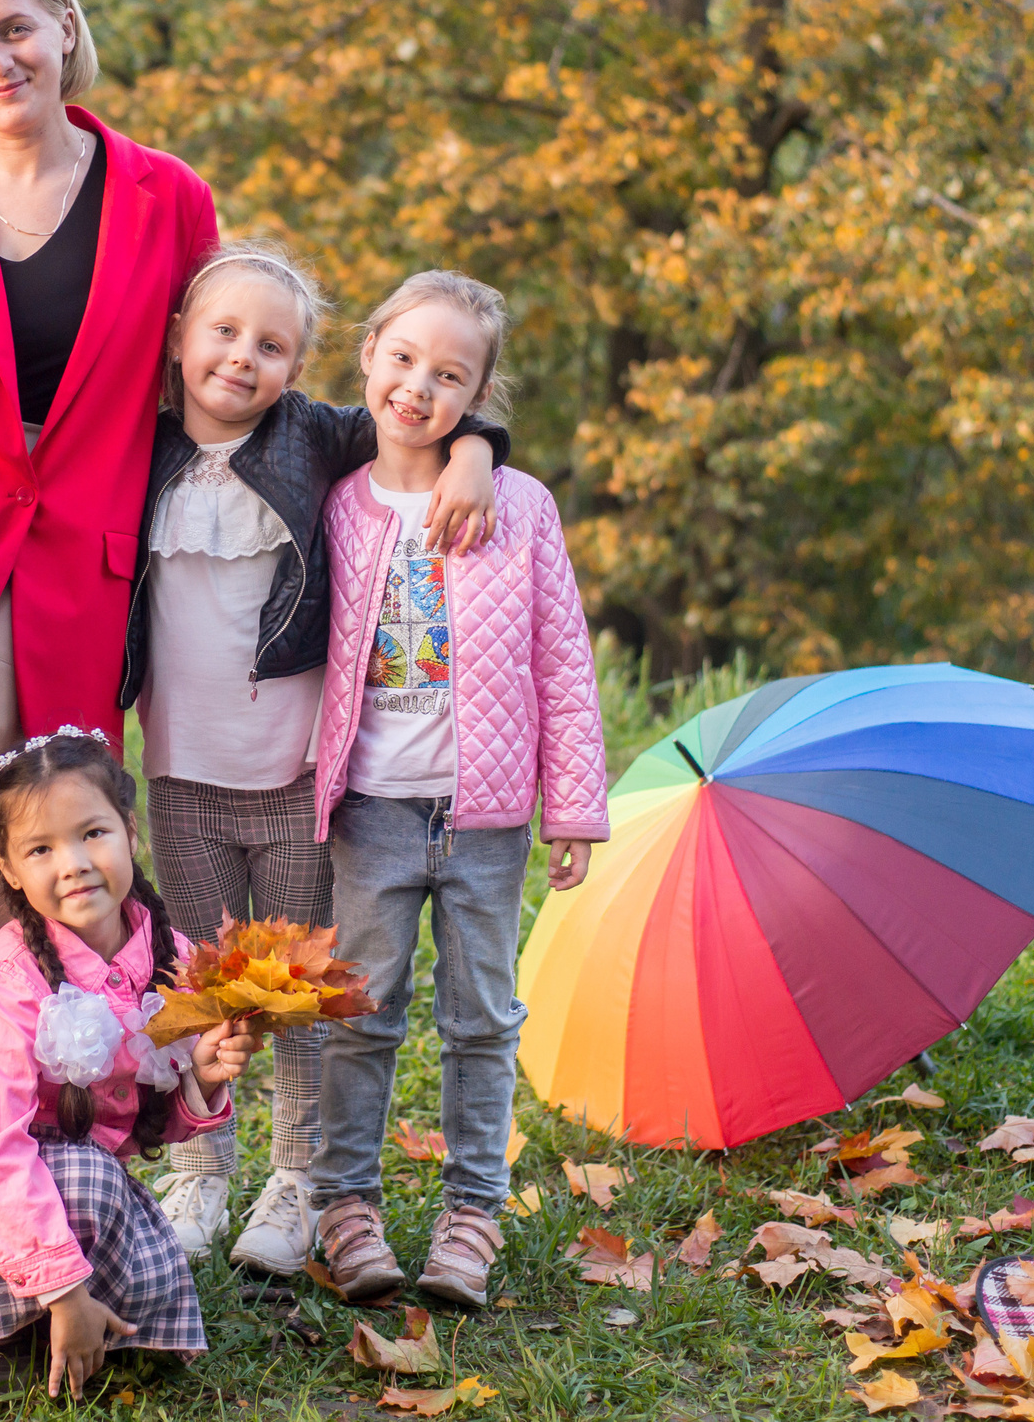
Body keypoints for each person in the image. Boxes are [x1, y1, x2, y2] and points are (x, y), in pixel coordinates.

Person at [0, 0, 495, 1109]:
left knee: (74, 833)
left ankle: (81, 1093)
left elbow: (237, 382)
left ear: (65, 30)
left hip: (97, 565)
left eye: (17, 29)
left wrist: (476, 442)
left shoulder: (165, 196)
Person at [118, 242, 511, 1273]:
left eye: (273, 345)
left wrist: (478, 453)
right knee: (202, 984)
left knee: (295, 994)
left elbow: (423, 427)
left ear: (301, 365)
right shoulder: (137, 444)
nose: (243, 358)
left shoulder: (312, 437)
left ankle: (295, 1182)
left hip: (297, 776)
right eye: (224, 333)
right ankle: (201, 1172)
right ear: (177, 339)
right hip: (181, 772)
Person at [303, 271, 612, 1310]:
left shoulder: (517, 506)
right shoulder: (338, 503)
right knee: (362, 1014)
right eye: (401, 360)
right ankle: (345, 1208)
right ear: (369, 355)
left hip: (483, 817)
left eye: (448, 376)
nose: (417, 387)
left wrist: (571, 805)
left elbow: (561, 661)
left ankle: (472, 1213)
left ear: (476, 396)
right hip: (372, 813)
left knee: (482, 1018)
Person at [0, 730, 264, 1398]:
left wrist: (202, 1075)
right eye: (42, 848)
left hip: (79, 1171)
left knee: (91, 1179)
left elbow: (146, 1125)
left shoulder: (172, 959)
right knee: (81, 1179)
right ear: (9, 866)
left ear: (129, 830)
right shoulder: (10, 977)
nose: (74, 862)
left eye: (92, 833)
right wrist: (65, 1289)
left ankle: (72, 1317)